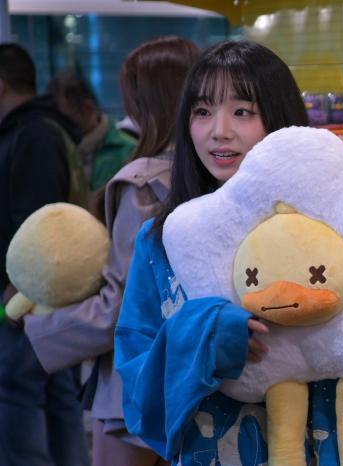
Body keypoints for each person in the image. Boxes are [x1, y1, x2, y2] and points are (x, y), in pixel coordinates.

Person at [114, 40, 343, 466]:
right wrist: (206, 337)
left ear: (280, 118)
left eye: (243, 111)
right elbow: (140, 399)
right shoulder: (164, 241)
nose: (219, 130)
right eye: (202, 111)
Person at [22, 36, 200, 466]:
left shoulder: (144, 185)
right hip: (196, 376)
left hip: (134, 383)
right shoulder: (210, 174)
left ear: (142, 100)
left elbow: (121, 307)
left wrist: (38, 331)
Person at [0, 42, 90, 466]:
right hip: (42, 294)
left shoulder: (32, 135)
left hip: (28, 294)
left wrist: (19, 289)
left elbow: (39, 224)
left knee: (19, 393)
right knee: (57, 396)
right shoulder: (42, 130)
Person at [46, 71, 136, 202]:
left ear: (88, 108)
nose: (62, 127)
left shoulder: (128, 150)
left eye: (66, 120)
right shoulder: (57, 150)